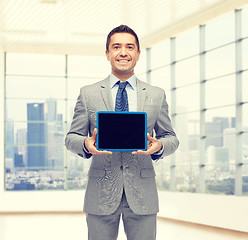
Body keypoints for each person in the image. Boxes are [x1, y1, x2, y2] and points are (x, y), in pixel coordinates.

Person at [65, 25, 179, 240]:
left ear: (138, 54)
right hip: (100, 193)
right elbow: (71, 137)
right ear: (107, 54)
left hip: (142, 194)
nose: (123, 52)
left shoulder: (156, 95)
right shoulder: (88, 94)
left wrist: (160, 146)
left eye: (130, 47)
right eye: (116, 47)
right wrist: (86, 144)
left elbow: (170, 137)